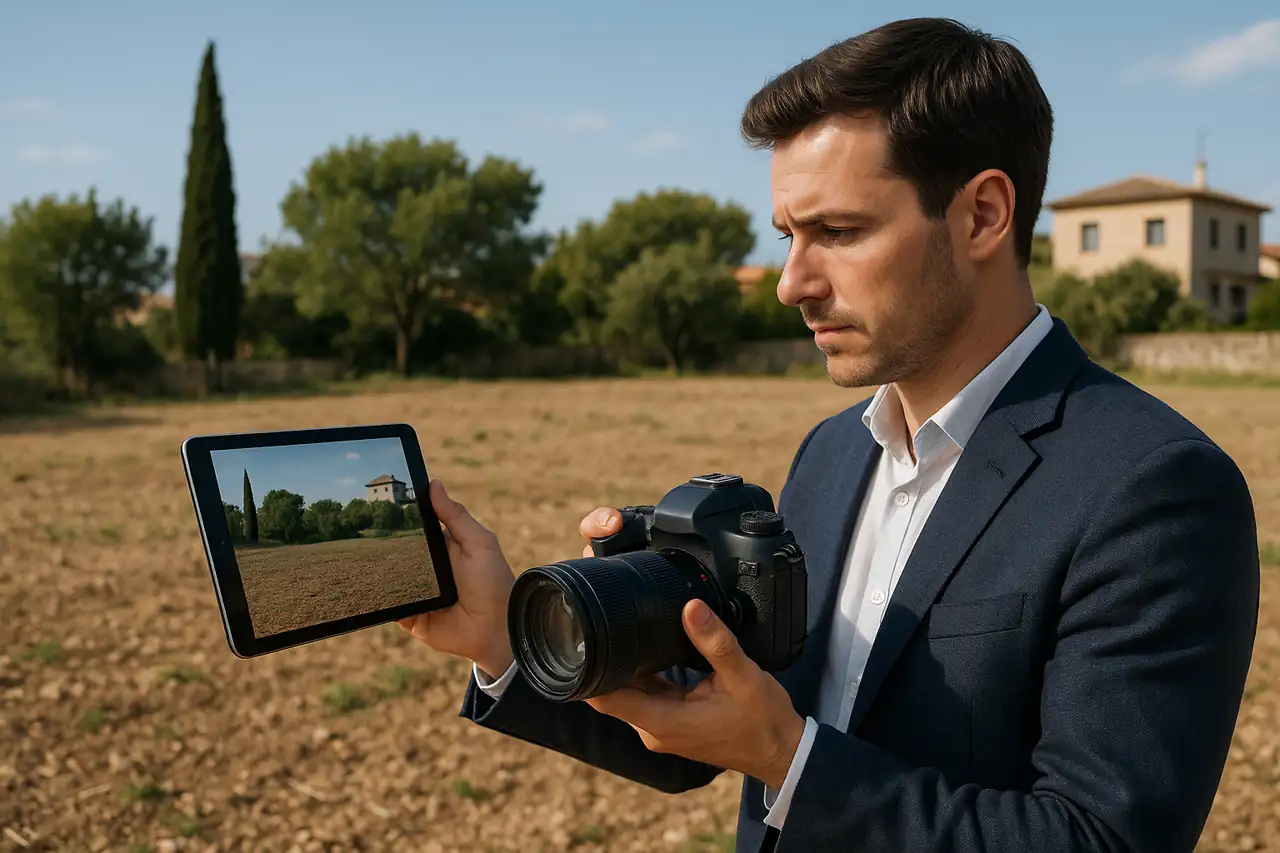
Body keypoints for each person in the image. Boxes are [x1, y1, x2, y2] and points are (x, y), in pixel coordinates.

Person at [397, 16, 1260, 853]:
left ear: (983, 216)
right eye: (787, 235)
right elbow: (719, 722)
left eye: (838, 233)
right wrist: (505, 637)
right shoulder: (832, 450)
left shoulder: (1155, 487)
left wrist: (788, 758)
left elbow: (1099, 837)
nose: (790, 283)